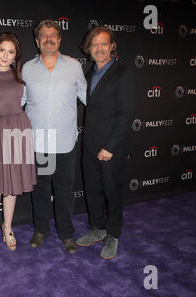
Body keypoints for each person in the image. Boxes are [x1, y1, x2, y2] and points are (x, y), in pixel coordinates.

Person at [22, 19, 87, 254]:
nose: (48, 39)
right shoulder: (27, 68)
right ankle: (41, 230)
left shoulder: (73, 66)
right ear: (37, 41)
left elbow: (87, 97)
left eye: (53, 35)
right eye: (44, 35)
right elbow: (16, 102)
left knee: (64, 190)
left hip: (65, 141)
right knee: (40, 191)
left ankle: (67, 234)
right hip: (38, 142)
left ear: (59, 40)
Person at [0, 32, 36, 272]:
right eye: (2, 50)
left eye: (11, 52)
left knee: (12, 187)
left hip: (18, 132)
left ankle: (7, 228)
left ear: (15, 56)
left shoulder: (20, 76)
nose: (6, 56)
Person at [76, 26, 135, 260]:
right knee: (92, 189)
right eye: (94, 44)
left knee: (112, 192)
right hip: (89, 144)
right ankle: (98, 228)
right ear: (88, 49)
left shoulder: (124, 74)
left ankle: (113, 234)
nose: (99, 49)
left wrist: (110, 147)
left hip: (111, 147)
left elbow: (125, 116)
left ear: (112, 46)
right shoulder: (88, 74)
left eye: (104, 44)